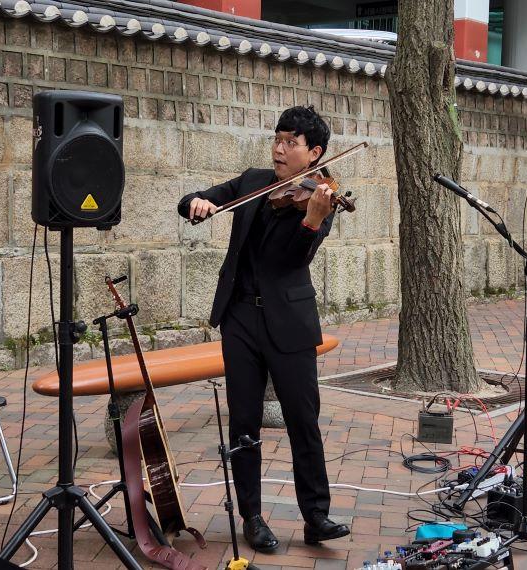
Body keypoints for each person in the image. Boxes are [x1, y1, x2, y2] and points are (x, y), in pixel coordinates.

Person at [176, 105, 350, 551]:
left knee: (302, 421)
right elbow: (193, 201)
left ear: (314, 154)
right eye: (277, 139)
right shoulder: (252, 181)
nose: (278, 148)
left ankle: (316, 516)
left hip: (289, 321)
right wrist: (196, 202)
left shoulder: (322, 196)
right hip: (239, 318)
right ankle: (252, 517)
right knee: (245, 422)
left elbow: (290, 261)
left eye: (290, 143)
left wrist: (311, 219)